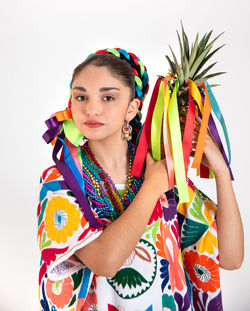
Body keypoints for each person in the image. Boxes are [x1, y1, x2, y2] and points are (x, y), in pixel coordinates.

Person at [37, 48, 244, 311]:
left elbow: (231, 257)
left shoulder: (160, 172)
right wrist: (152, 187)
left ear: (132, 108)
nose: (91, 109)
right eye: (81, 97)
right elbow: (105, 262)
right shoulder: (60, 179)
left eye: (108, 97)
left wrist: (221, 172)